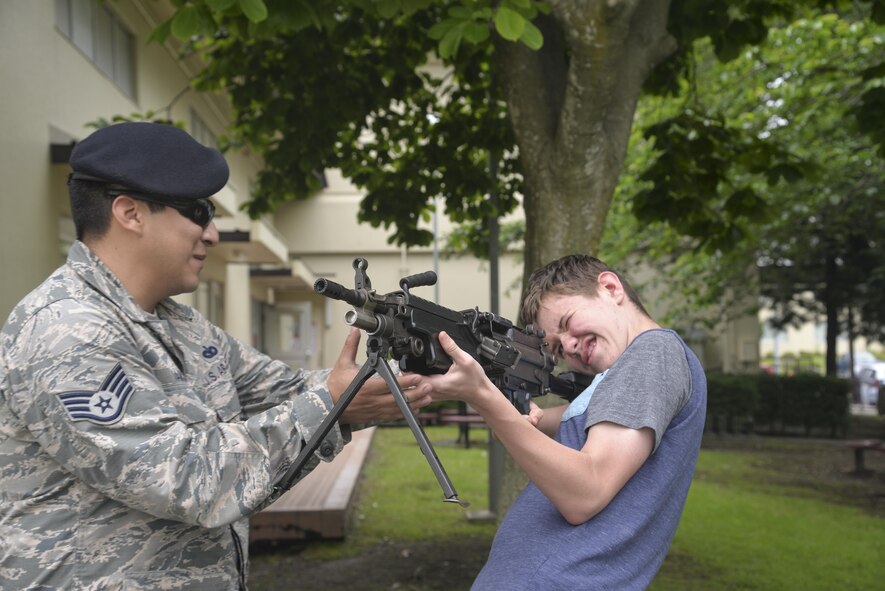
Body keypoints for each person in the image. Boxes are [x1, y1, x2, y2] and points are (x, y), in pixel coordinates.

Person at [0, 121, 431, 590]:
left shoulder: (179, 323)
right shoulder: (69, 331)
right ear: (130, 213)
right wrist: (333, 403)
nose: (212, 234)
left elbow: (284, 391)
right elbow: (188, 480)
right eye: (198, 211)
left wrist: (414, 367)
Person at [420, 254, 707, 590]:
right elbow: (563, 424)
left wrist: (483, 396)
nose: (568, 346)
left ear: (611, 288)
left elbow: (587, 492)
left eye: (568, 321)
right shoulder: (622, 375)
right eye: (555, 348)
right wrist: (516, 414)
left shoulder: (652, 351)